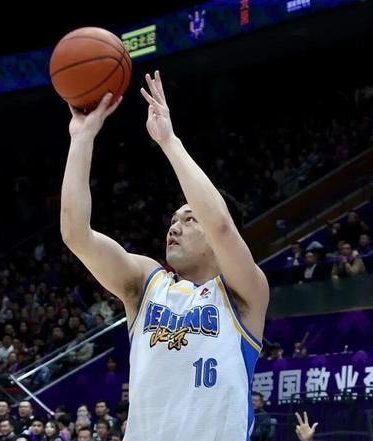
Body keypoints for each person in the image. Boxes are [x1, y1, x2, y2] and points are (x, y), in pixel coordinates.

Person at [60, 71, 269, 441]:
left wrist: (169, 141)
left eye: (190, 220)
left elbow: (221, 226)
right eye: (173, 220)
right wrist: (82, 139)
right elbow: (76, 235)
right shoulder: (147, 282)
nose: (174, 227)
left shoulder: (244, 292)